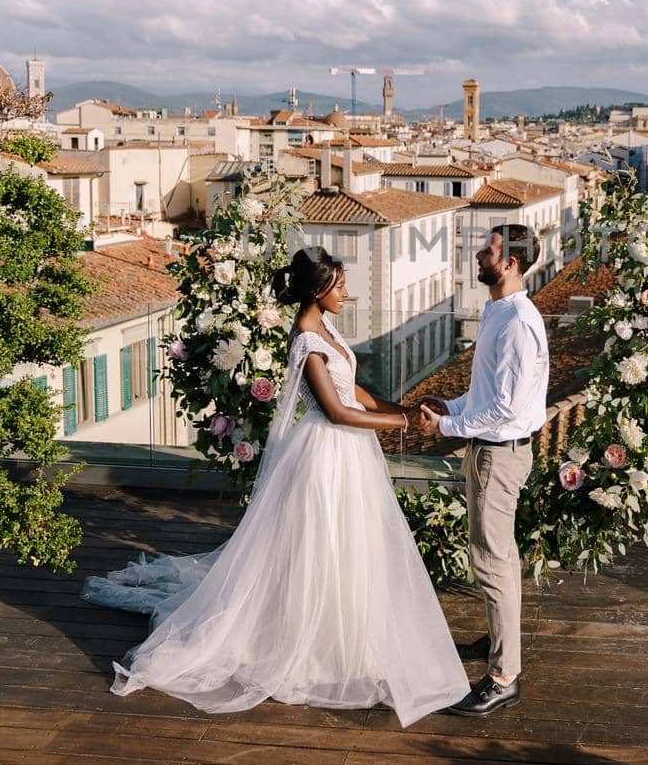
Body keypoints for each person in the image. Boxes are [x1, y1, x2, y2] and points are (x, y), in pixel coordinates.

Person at [81, 246, 468, 727]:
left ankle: (350, 641)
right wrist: (404, 424)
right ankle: (308, 646)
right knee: (319, 547)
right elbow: (336, 411)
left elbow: (354, 390)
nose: (347, 293)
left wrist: (400, 406)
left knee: (350, 547)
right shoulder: (306, 339)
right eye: (341, 286)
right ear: (318, 289)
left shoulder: (327, 328)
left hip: (350, 453)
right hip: (326, 454)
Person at [417, 223, 550, 717]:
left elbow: (504, 409)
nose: (478, 253)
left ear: (510, 262)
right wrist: (449, 405)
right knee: (499, 559)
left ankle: (503, 676)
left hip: (499, 452)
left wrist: (446, 427)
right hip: (492, 448)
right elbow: (485, 395)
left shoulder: (517, 321)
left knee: (492, 562)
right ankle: (502, 645)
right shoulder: (498, 310)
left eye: (489, 249)